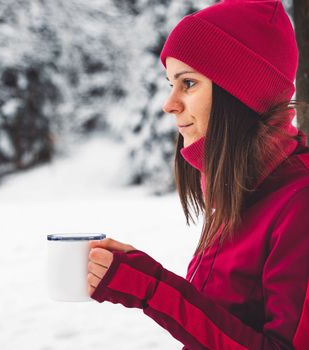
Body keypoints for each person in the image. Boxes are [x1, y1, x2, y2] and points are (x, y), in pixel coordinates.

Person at [87, 1, 309, 349]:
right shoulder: (242, 189)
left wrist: (152, 289)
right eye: (170, 84)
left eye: (188, 83)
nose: (169, 103)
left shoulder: (299, 204)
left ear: (241, 93)